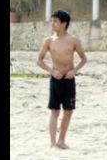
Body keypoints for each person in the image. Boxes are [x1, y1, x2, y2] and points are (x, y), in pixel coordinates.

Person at [36, 10, 87, 149]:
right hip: (55, 79)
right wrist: (51, 71)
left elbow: (84, 58)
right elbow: (39, 60)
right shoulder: (49, 41)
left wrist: (74, 71)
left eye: (55, 21)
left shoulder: (73, 40)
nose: (52, 24)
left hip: (69, 79)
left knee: (68, 111)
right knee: (54, 111)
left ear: (64, 23)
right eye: (52, 21)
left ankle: (61, 140)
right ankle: (52, 143)